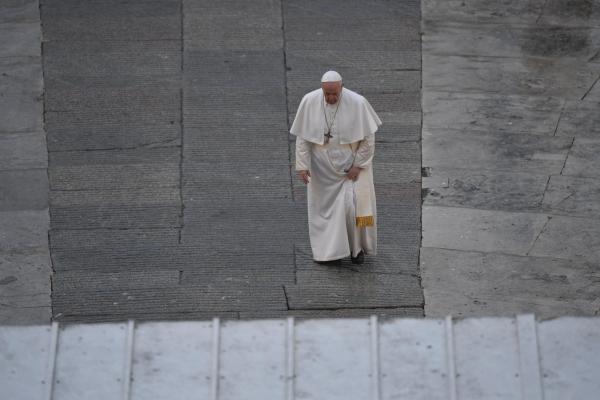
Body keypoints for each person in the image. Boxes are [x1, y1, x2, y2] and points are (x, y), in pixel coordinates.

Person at [291, 71, 381, 264]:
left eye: (334, 94)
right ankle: (330, 253)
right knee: (325, 213)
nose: (330, 98)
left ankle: (356, 250)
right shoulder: (309, 101)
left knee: (351, 208)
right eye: (327, 94)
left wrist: (358, 165)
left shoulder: (357, 103)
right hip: (322, 170)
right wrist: (302, 165)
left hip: (350, 169)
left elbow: (368, 139)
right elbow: (303, 138)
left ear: (342, 87)